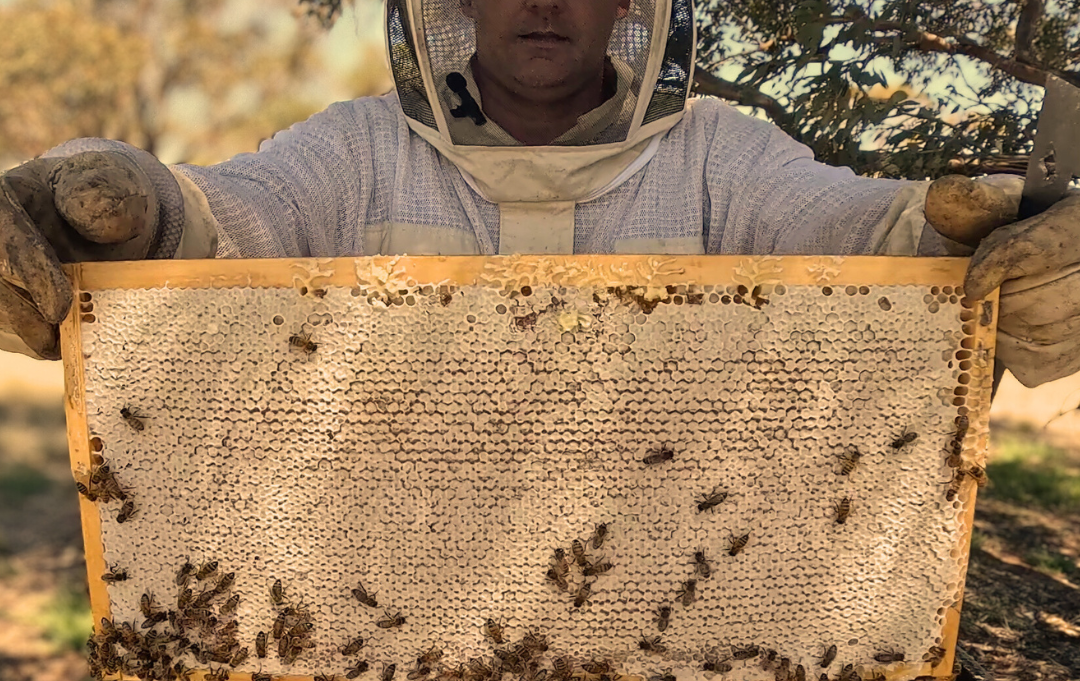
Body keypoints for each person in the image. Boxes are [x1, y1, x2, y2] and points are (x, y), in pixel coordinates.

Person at [0, 0, 1075, 390]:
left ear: (630, 7)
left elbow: (840, 232)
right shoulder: (359, 148)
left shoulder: (720, 154)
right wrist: (132, 213)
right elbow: (241, 217)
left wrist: (947, 247)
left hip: (674, 600)